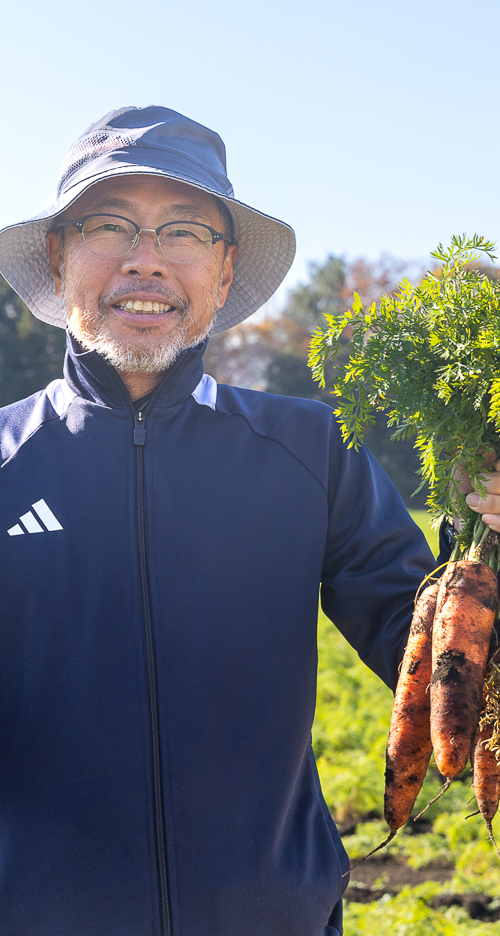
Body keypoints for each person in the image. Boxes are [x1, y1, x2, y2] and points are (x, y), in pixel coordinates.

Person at [0, 105, 495, 936]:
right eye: (110, 226)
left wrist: (488, 540)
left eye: (184, 232)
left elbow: (440, 655)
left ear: (225, 272)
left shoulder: (311, 451)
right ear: (59, 256)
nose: (144, 261)